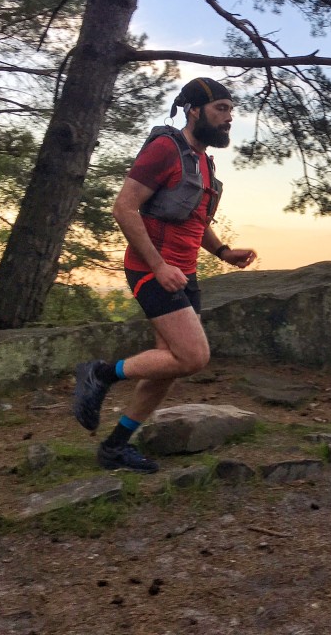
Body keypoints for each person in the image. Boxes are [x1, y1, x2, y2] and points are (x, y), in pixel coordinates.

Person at [72, 76, 256, 473]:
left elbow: (194, 219)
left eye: (230, 111)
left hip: (183, 273)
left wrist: (222, 251)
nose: (228, 118)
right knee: (193, 356)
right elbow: (124, 207)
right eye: (220, 109)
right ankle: (101, 373)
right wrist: (157, 265)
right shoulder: (164, 149)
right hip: (151, 268)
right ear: (193, 110)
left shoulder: (203, 161)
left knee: (168, 363)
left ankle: (115, 446)